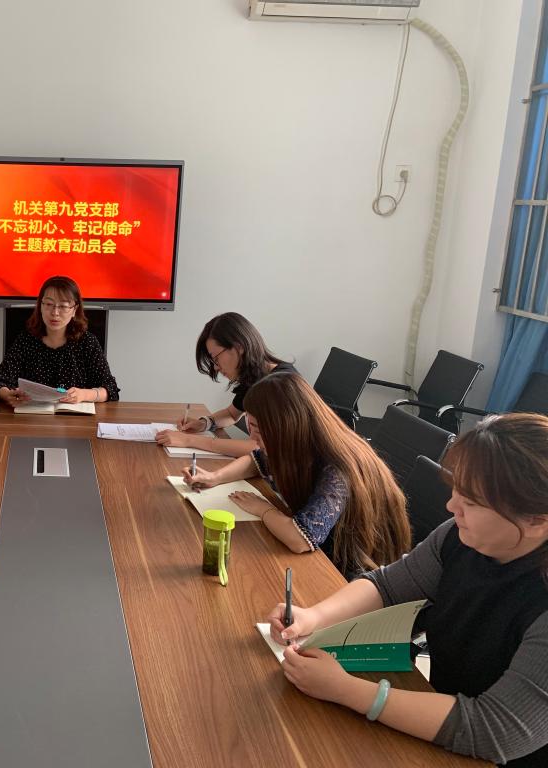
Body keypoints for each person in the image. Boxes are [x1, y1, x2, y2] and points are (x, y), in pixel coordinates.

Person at [266, 413, 548, 767]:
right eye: (457, 489)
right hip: (437, 715)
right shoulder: (459, 537)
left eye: (472, 502)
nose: (451, 506)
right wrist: (313, 617)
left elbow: (495, 730)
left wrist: (346, 690)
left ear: (537, 521)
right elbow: (388, 586)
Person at [184, 372, 409, 578]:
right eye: (250, 426)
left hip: (351, 571)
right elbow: (255, 460)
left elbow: (301, 539)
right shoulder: (299, 441)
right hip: (325, 553)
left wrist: (262, 509)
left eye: (258, 429)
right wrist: (215, 477)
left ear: (286, 425)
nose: (253, 437)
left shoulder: (337, 468)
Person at [156, 312, 295, 457]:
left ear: (238, 347)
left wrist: (188, 440)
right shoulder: (255, 377)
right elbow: (231, 414)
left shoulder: (282, 384)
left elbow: (260, 448)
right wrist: (204, 423)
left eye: (215, 358)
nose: (216, 367)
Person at [0, 275, 120, 406]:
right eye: (49, 304)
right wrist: (7, 395)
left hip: (74, 417)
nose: (55, 313)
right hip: (32, 416)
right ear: (40, 306)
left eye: (63, 306)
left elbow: (110, 389)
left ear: (74, 310)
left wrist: (84, 394)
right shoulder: (26, 341)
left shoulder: (87, 342)